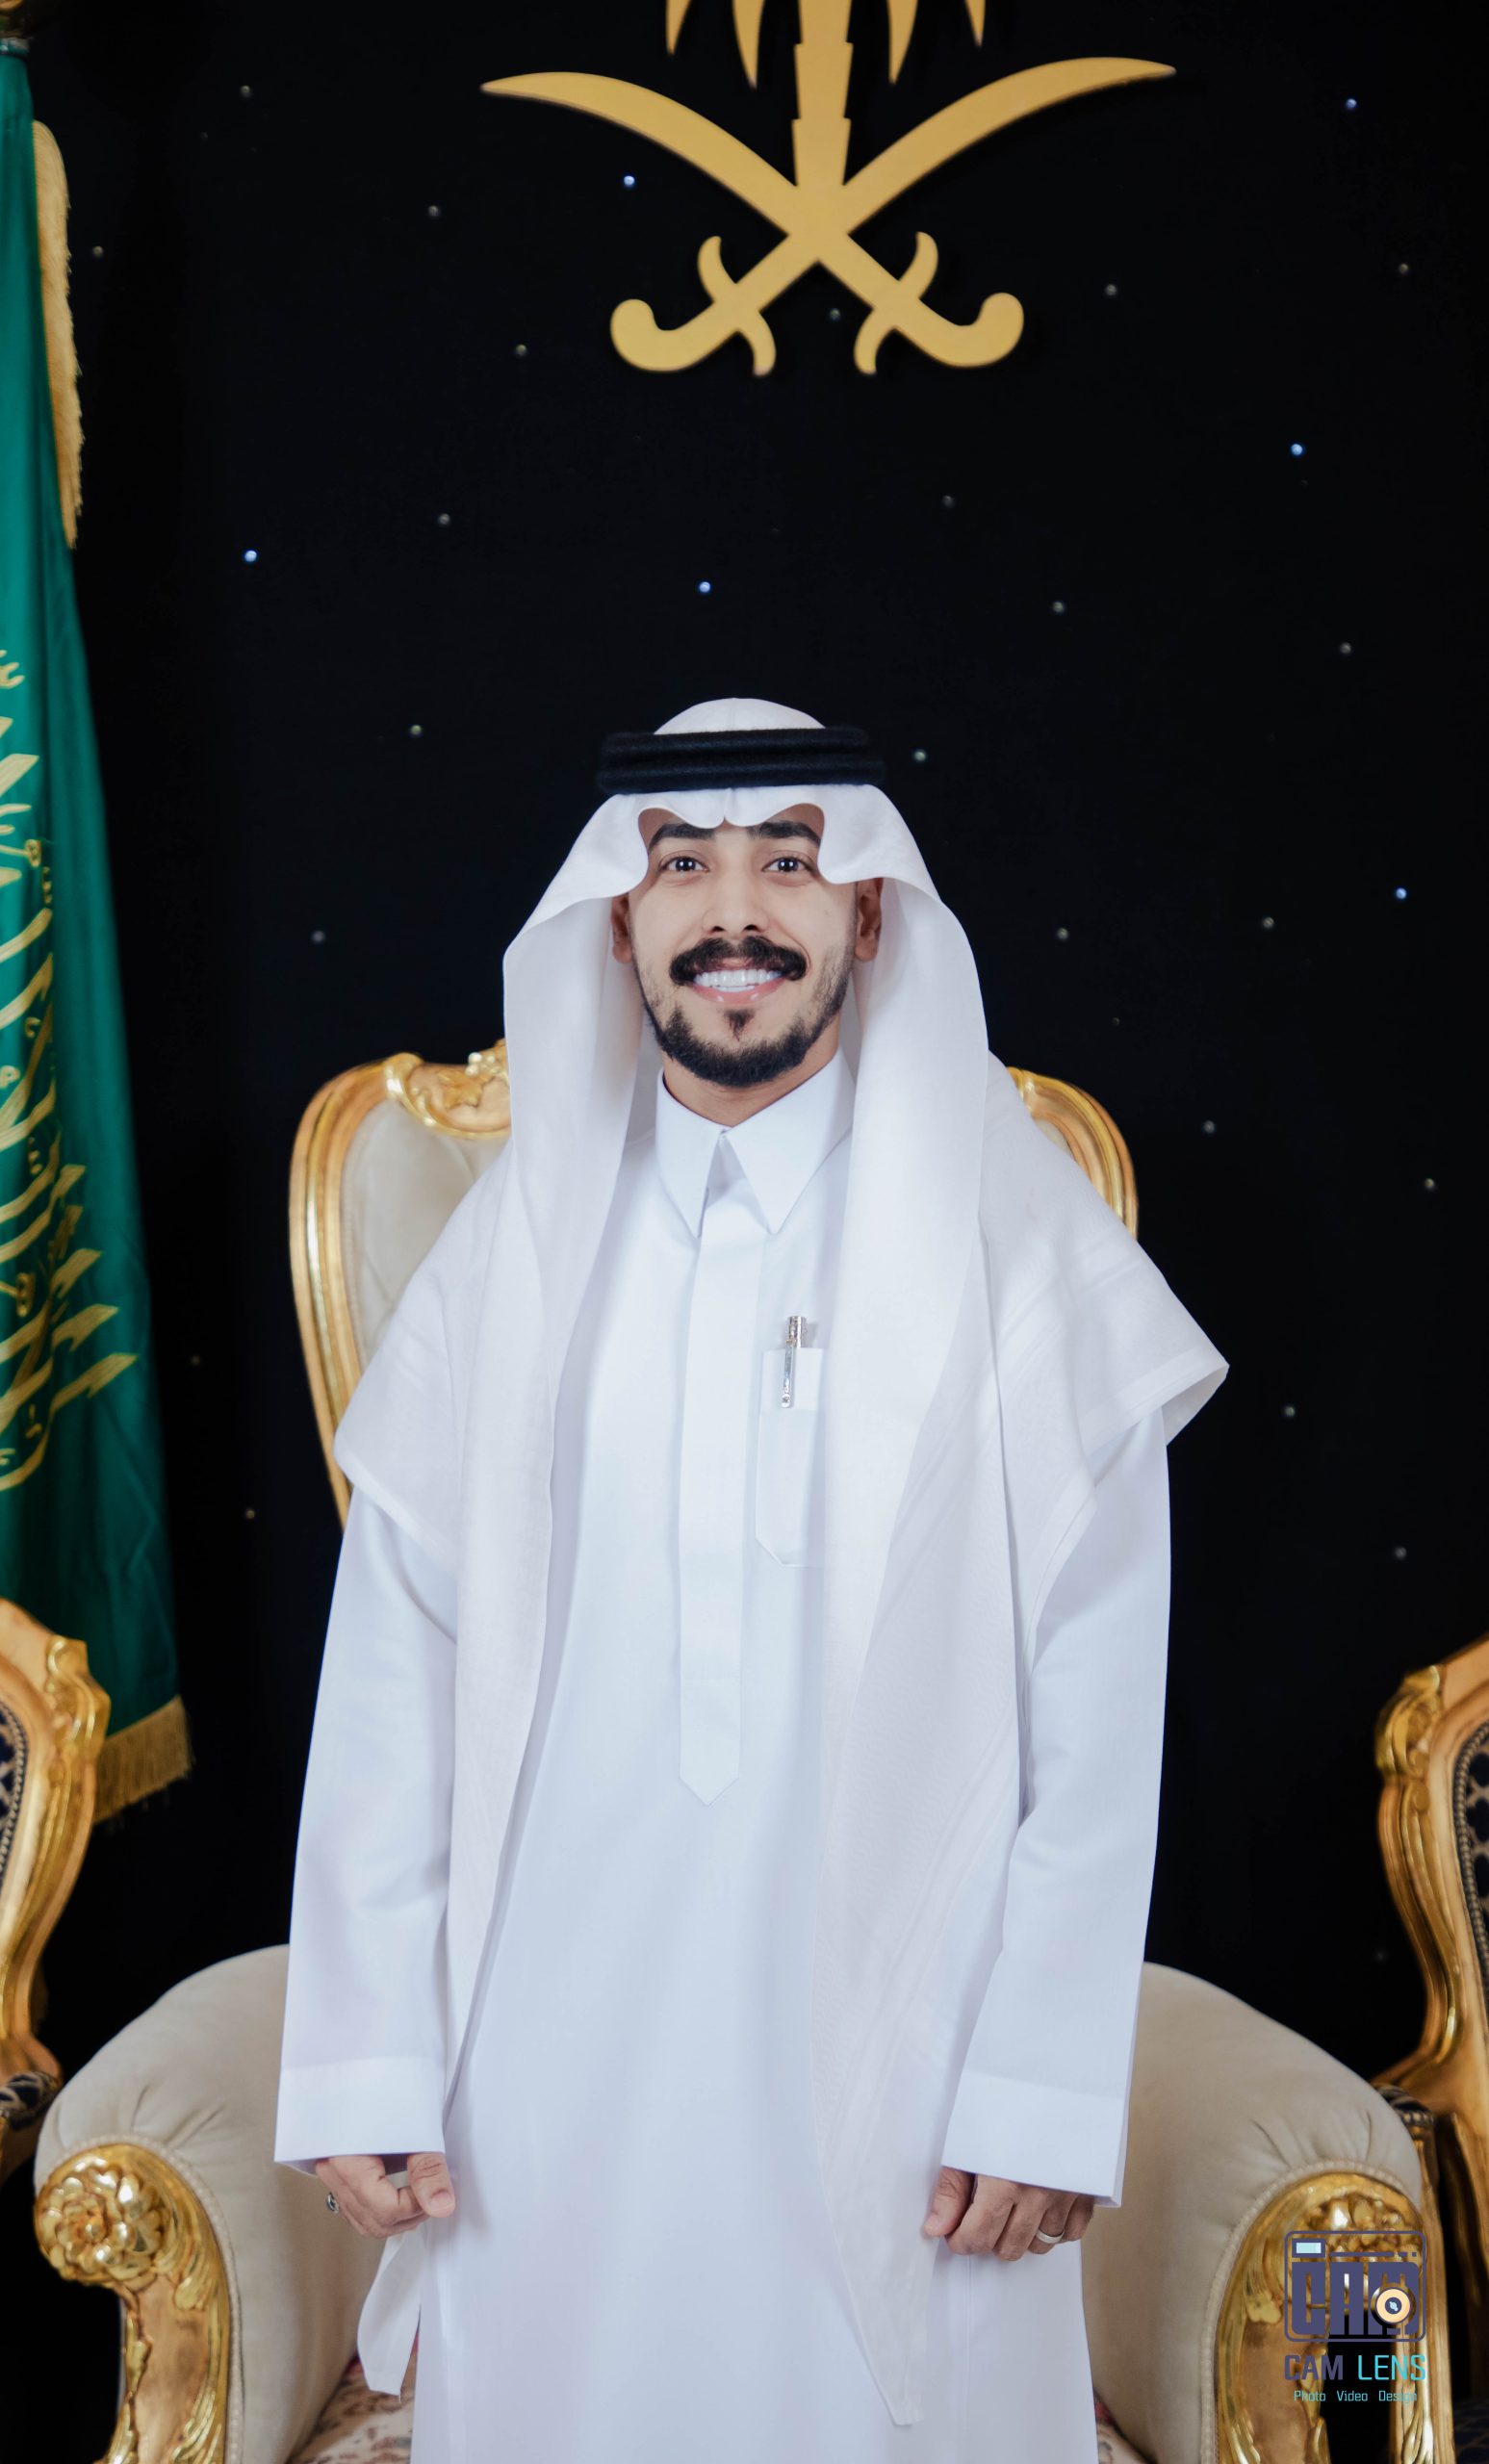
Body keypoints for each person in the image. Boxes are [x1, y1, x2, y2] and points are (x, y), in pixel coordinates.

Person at [275, 697, 1227, 2462]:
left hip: (917, 2080)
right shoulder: (513, 1248)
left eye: (787, 862)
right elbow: (392, 1674)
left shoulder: (1017, 1242)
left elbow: (1102, 1704)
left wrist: (1040, 2080)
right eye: (683, 867)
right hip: (546, 2089)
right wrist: (361, 2050)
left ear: (866, 911)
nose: (735, 913)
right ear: (614, 922)